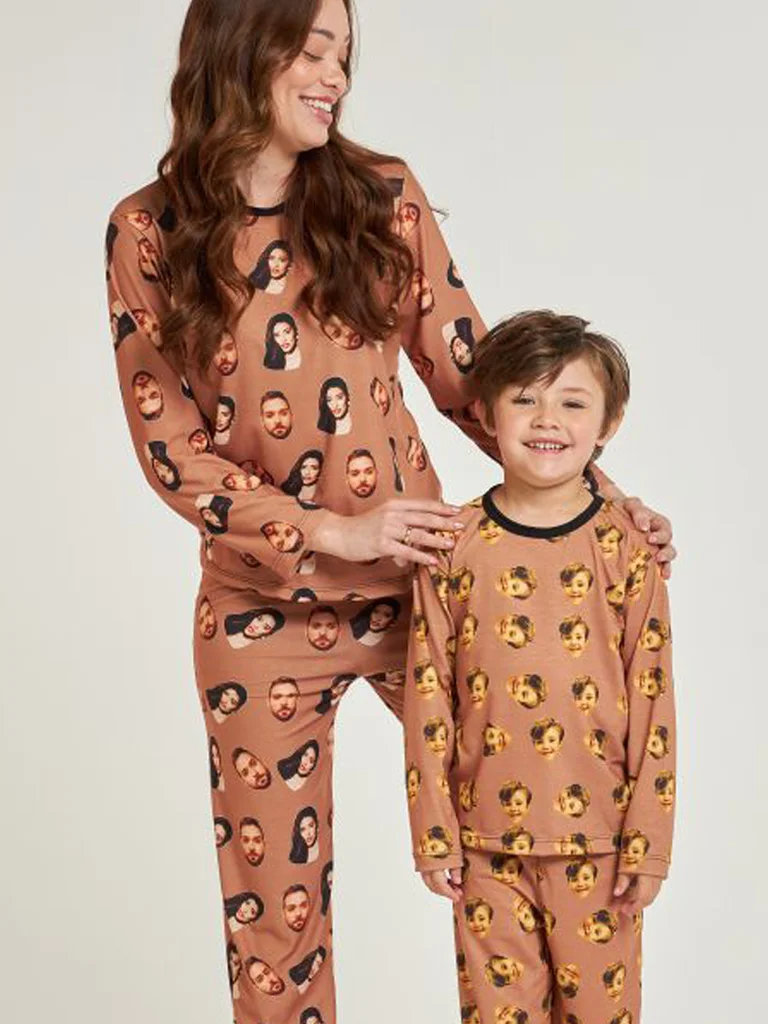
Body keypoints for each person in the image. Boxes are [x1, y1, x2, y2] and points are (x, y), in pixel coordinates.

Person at [104, 2, 675, 1022]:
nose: (336, 74)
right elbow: (171, 449)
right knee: (273, 926)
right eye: (312, 49)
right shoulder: (147, 230)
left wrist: (604, 504)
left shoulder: (380, 197)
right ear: (241, 50)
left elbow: (475, 377)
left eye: (345, 53)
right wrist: (328, 531)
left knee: (538, 811)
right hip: (258, 612)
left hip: (425, 590)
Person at [403, 311, 676, 1024]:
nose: (547, 419)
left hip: (604, 845)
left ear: (608, 424)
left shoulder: (628, 550)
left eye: (572, 403)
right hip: (482, 847)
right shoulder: (450, 546)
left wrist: (648, 844)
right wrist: (434, 832)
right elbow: (429, 696)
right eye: (524, 398)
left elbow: (654, 704)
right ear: (487, 414)